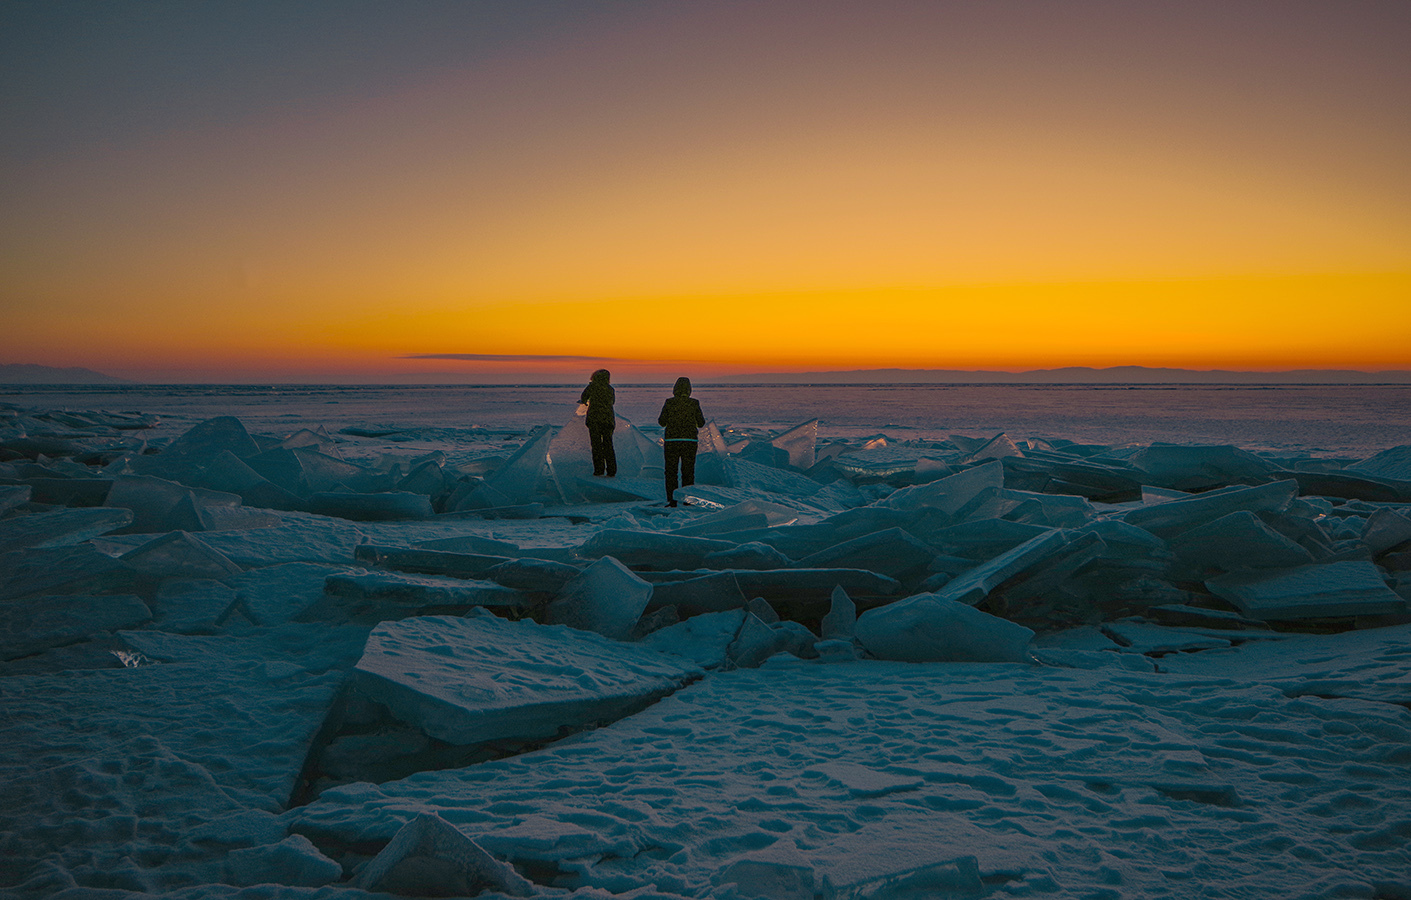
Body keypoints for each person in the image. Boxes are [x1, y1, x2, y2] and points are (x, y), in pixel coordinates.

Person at [657, 376, 705, 507]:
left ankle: (671, 500)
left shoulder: (669, 402)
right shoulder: (694, 403)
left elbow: (661, 422)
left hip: (672, 440)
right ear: (689, 390)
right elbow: (701, 423)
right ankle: (687, 501)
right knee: (688, 471)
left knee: (671, 471)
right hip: (689, 441)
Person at [579, 369, 616, 477]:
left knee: (596, 446)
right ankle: (611, 470)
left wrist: (586, 402)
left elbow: (583, 397)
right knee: (608, 445)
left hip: (594, 420)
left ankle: (599, 470)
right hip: (608, 420)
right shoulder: (610, 389)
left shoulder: (592, 387)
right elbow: (612, 402)